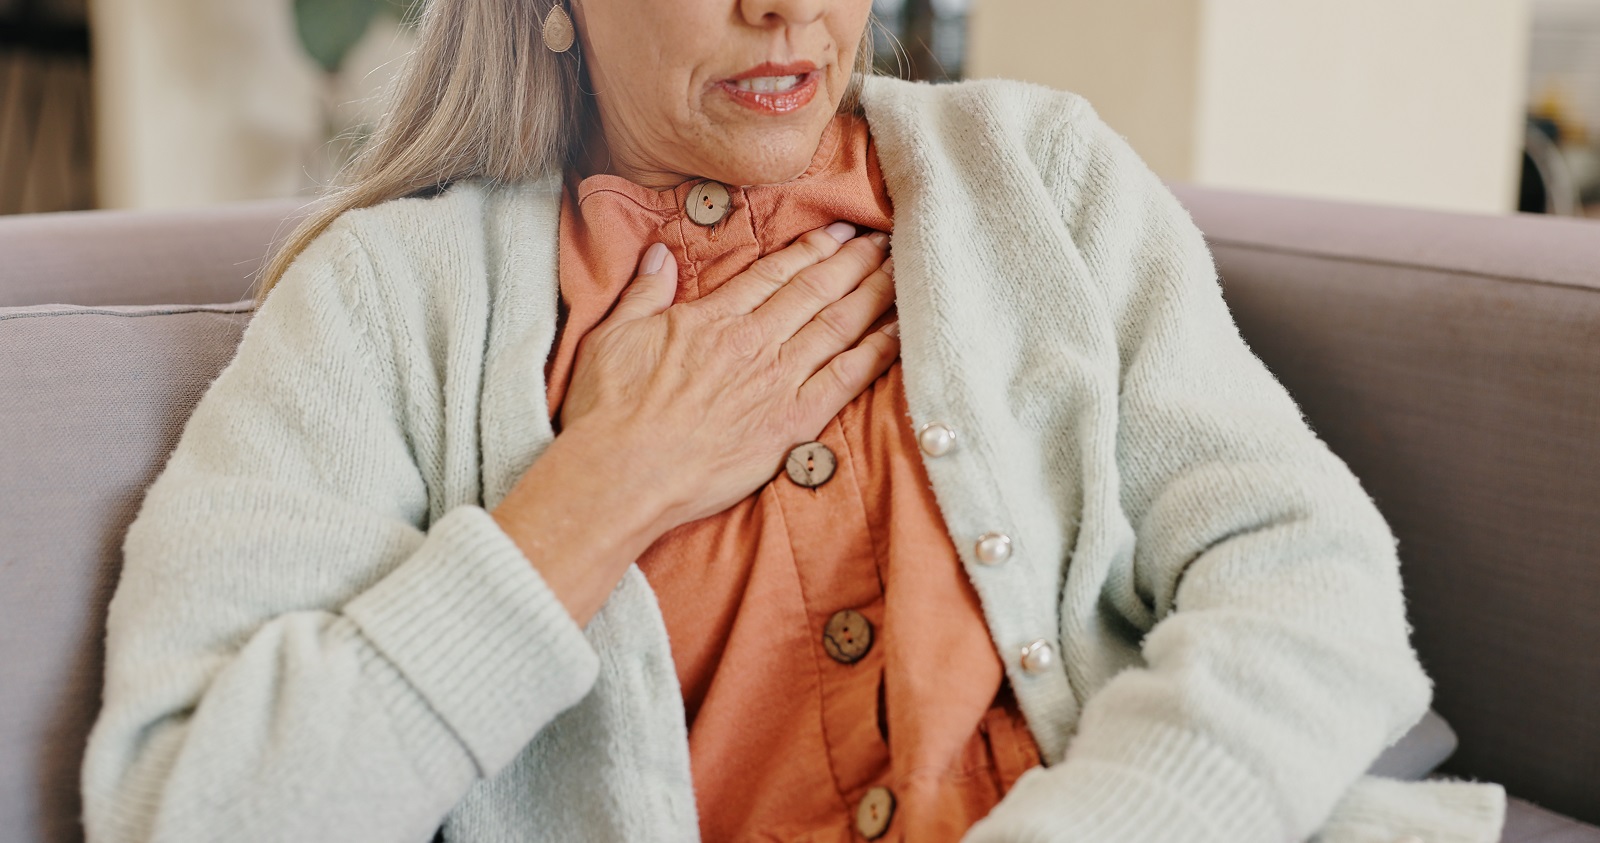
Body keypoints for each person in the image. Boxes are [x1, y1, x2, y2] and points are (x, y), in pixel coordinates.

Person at [80, 0, 1507, 841]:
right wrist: (600, 491)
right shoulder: (387, 307)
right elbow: (189, 807)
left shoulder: (1035, 177)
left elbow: (1311, 592)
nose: (786, 4)